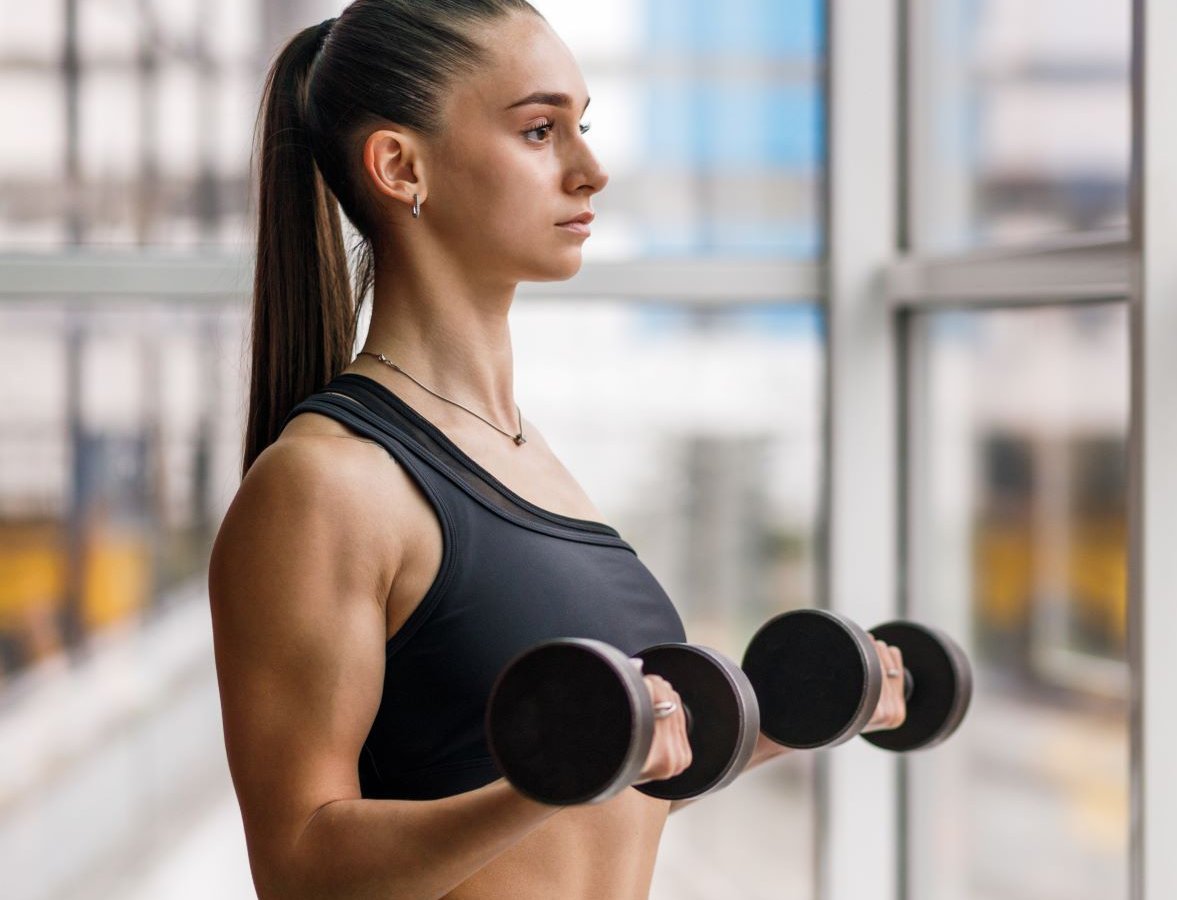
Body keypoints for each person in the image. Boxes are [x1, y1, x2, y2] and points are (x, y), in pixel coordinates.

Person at [206, 3, 907, 898]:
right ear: (399, 166)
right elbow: (301, 867)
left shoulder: (527, 457)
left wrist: (783, 718)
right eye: (541, 130)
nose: (591, 169)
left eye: (583, 126)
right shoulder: (326, 484)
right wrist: (550, 778)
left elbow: (583, 803)